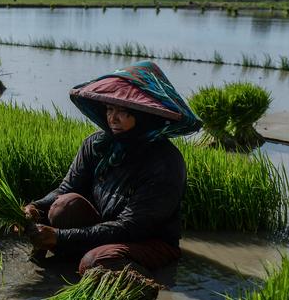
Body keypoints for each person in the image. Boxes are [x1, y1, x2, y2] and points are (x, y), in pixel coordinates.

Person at [25, 61, 201, 275]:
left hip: (147, 240)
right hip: (105, 226)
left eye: (123, 111)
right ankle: (73, 260)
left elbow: (131, 227)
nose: (112, 118)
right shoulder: (97, 145)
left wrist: (60, 237)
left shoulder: (165, 162)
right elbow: (67, 188)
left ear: (144, 115)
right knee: (64, 205)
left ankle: (139, 283)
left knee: (95, 262)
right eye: (109, 109)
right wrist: (34, 208)